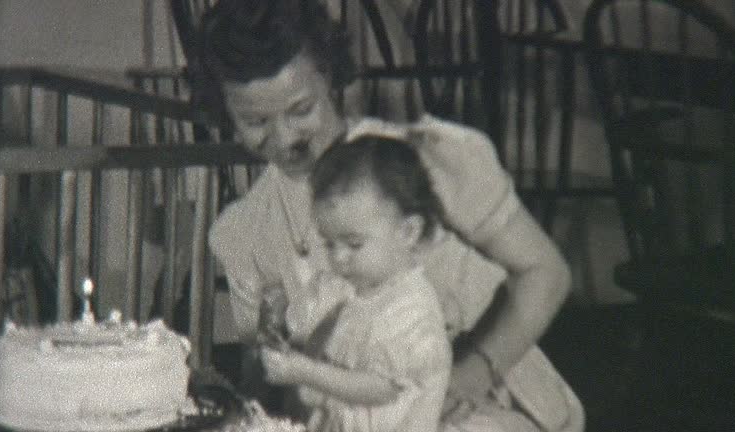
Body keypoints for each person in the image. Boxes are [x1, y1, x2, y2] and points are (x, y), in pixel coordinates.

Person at [203, 1, 584, 431]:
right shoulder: (246, 230)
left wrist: (474, 372)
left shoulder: (422, 158)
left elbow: (546, 272)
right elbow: (263, 376)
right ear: (226, 114)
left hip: (483, 402)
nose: (285, 138)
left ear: (328, 76)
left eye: (300, 109)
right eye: (255, 121)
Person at [259, 134, 452, 432]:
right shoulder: (353, 287)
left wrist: (306, 372)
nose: (339, 258)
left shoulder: (411, 310)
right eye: (329, 244)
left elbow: (379, 391)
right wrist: (284, 321)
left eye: (353, 243)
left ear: (408, 232)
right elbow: (316, 335)